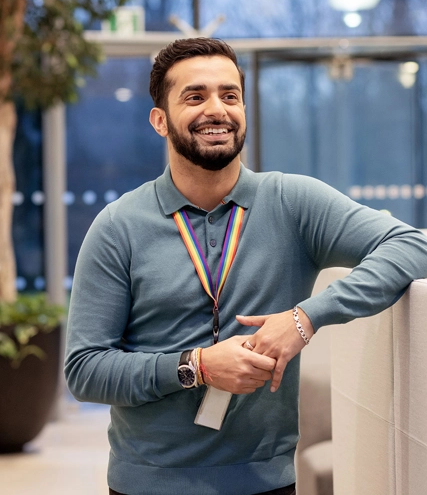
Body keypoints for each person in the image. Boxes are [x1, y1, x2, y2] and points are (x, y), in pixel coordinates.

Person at [65, 37, 427, 495]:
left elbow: (411, 245)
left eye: (229, 95)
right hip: (146, 485)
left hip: (267, 482)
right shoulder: (118, 226)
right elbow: (84, 369)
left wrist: (304, 318)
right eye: (195, 96)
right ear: (160, 120)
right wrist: (196, 366)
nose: (216, 109)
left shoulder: (293, 202)